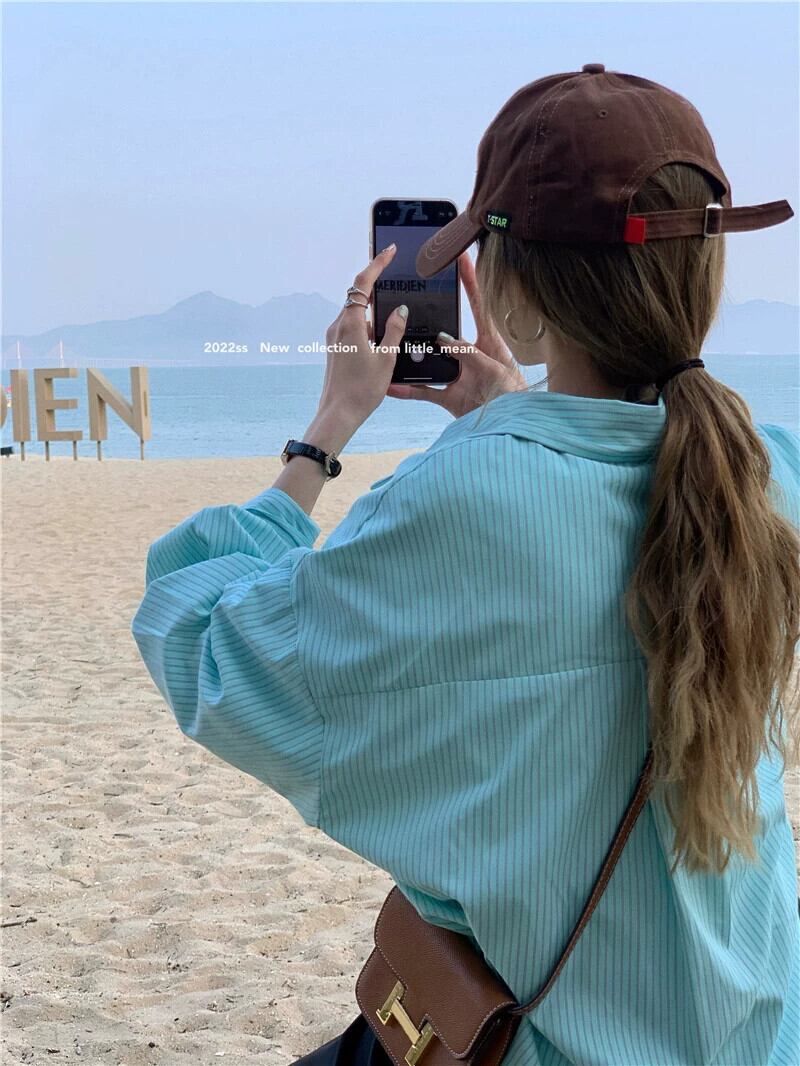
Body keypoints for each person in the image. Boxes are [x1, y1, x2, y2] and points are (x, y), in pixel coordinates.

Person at [131, 64, 800, 1065]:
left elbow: (206, 646)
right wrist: (513, 415)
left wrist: (325, 432)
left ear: (512, 291)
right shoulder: (766, 476)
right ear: (706, 275)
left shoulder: (466, 495)